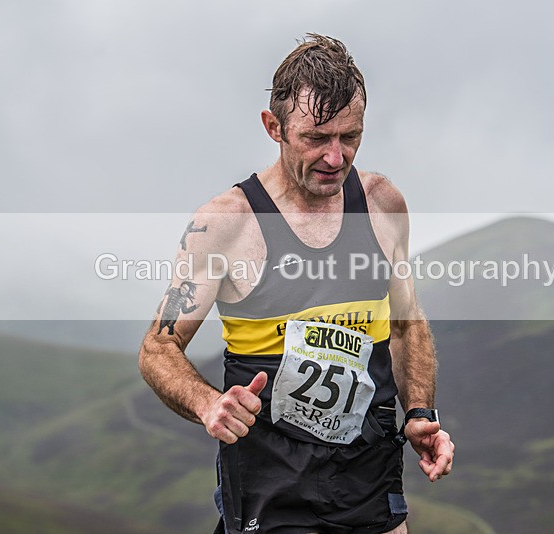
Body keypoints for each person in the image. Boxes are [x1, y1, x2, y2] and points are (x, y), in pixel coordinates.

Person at [139, 33, 454, 534]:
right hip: (271, 486)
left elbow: (405, 324)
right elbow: (158, 347)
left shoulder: (382, 204)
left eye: (350, 137)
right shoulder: (226, 223)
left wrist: (419, 411)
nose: (335, 157)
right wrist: (208, 404)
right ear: (274, 127)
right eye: (316, 138)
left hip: (368, 479)